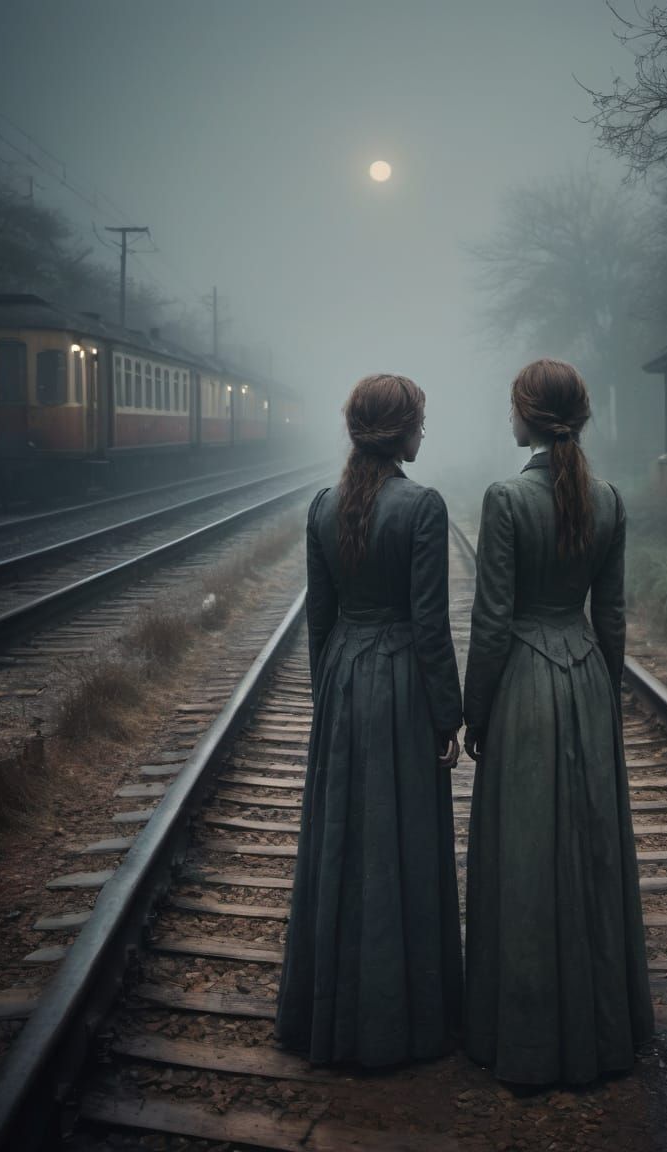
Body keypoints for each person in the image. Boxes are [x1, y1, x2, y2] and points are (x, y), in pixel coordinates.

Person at [463, 358, 654, 1087]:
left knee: (524, 857)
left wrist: (474, 713)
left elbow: (491, 622)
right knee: (592, 854)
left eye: (512, 406)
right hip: (584, 681)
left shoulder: (506, 498)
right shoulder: (607, 499)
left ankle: (520, 1029)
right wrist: (605, 694)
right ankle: (602, 1028)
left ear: (527, 417)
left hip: (524, 684)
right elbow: (610, 617)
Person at [276, 373, 463, 1067]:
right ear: (400, 430)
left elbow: (319, 623)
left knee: (341, 843)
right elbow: (430, 626)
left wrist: (329, 698)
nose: (425, 430)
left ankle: (324, 1015)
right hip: (401, 684)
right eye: (419, 418)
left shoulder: (324, 506)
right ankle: (404, 1019)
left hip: (345, 679)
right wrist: (449, 715)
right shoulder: (423, 507)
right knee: (402, 840)